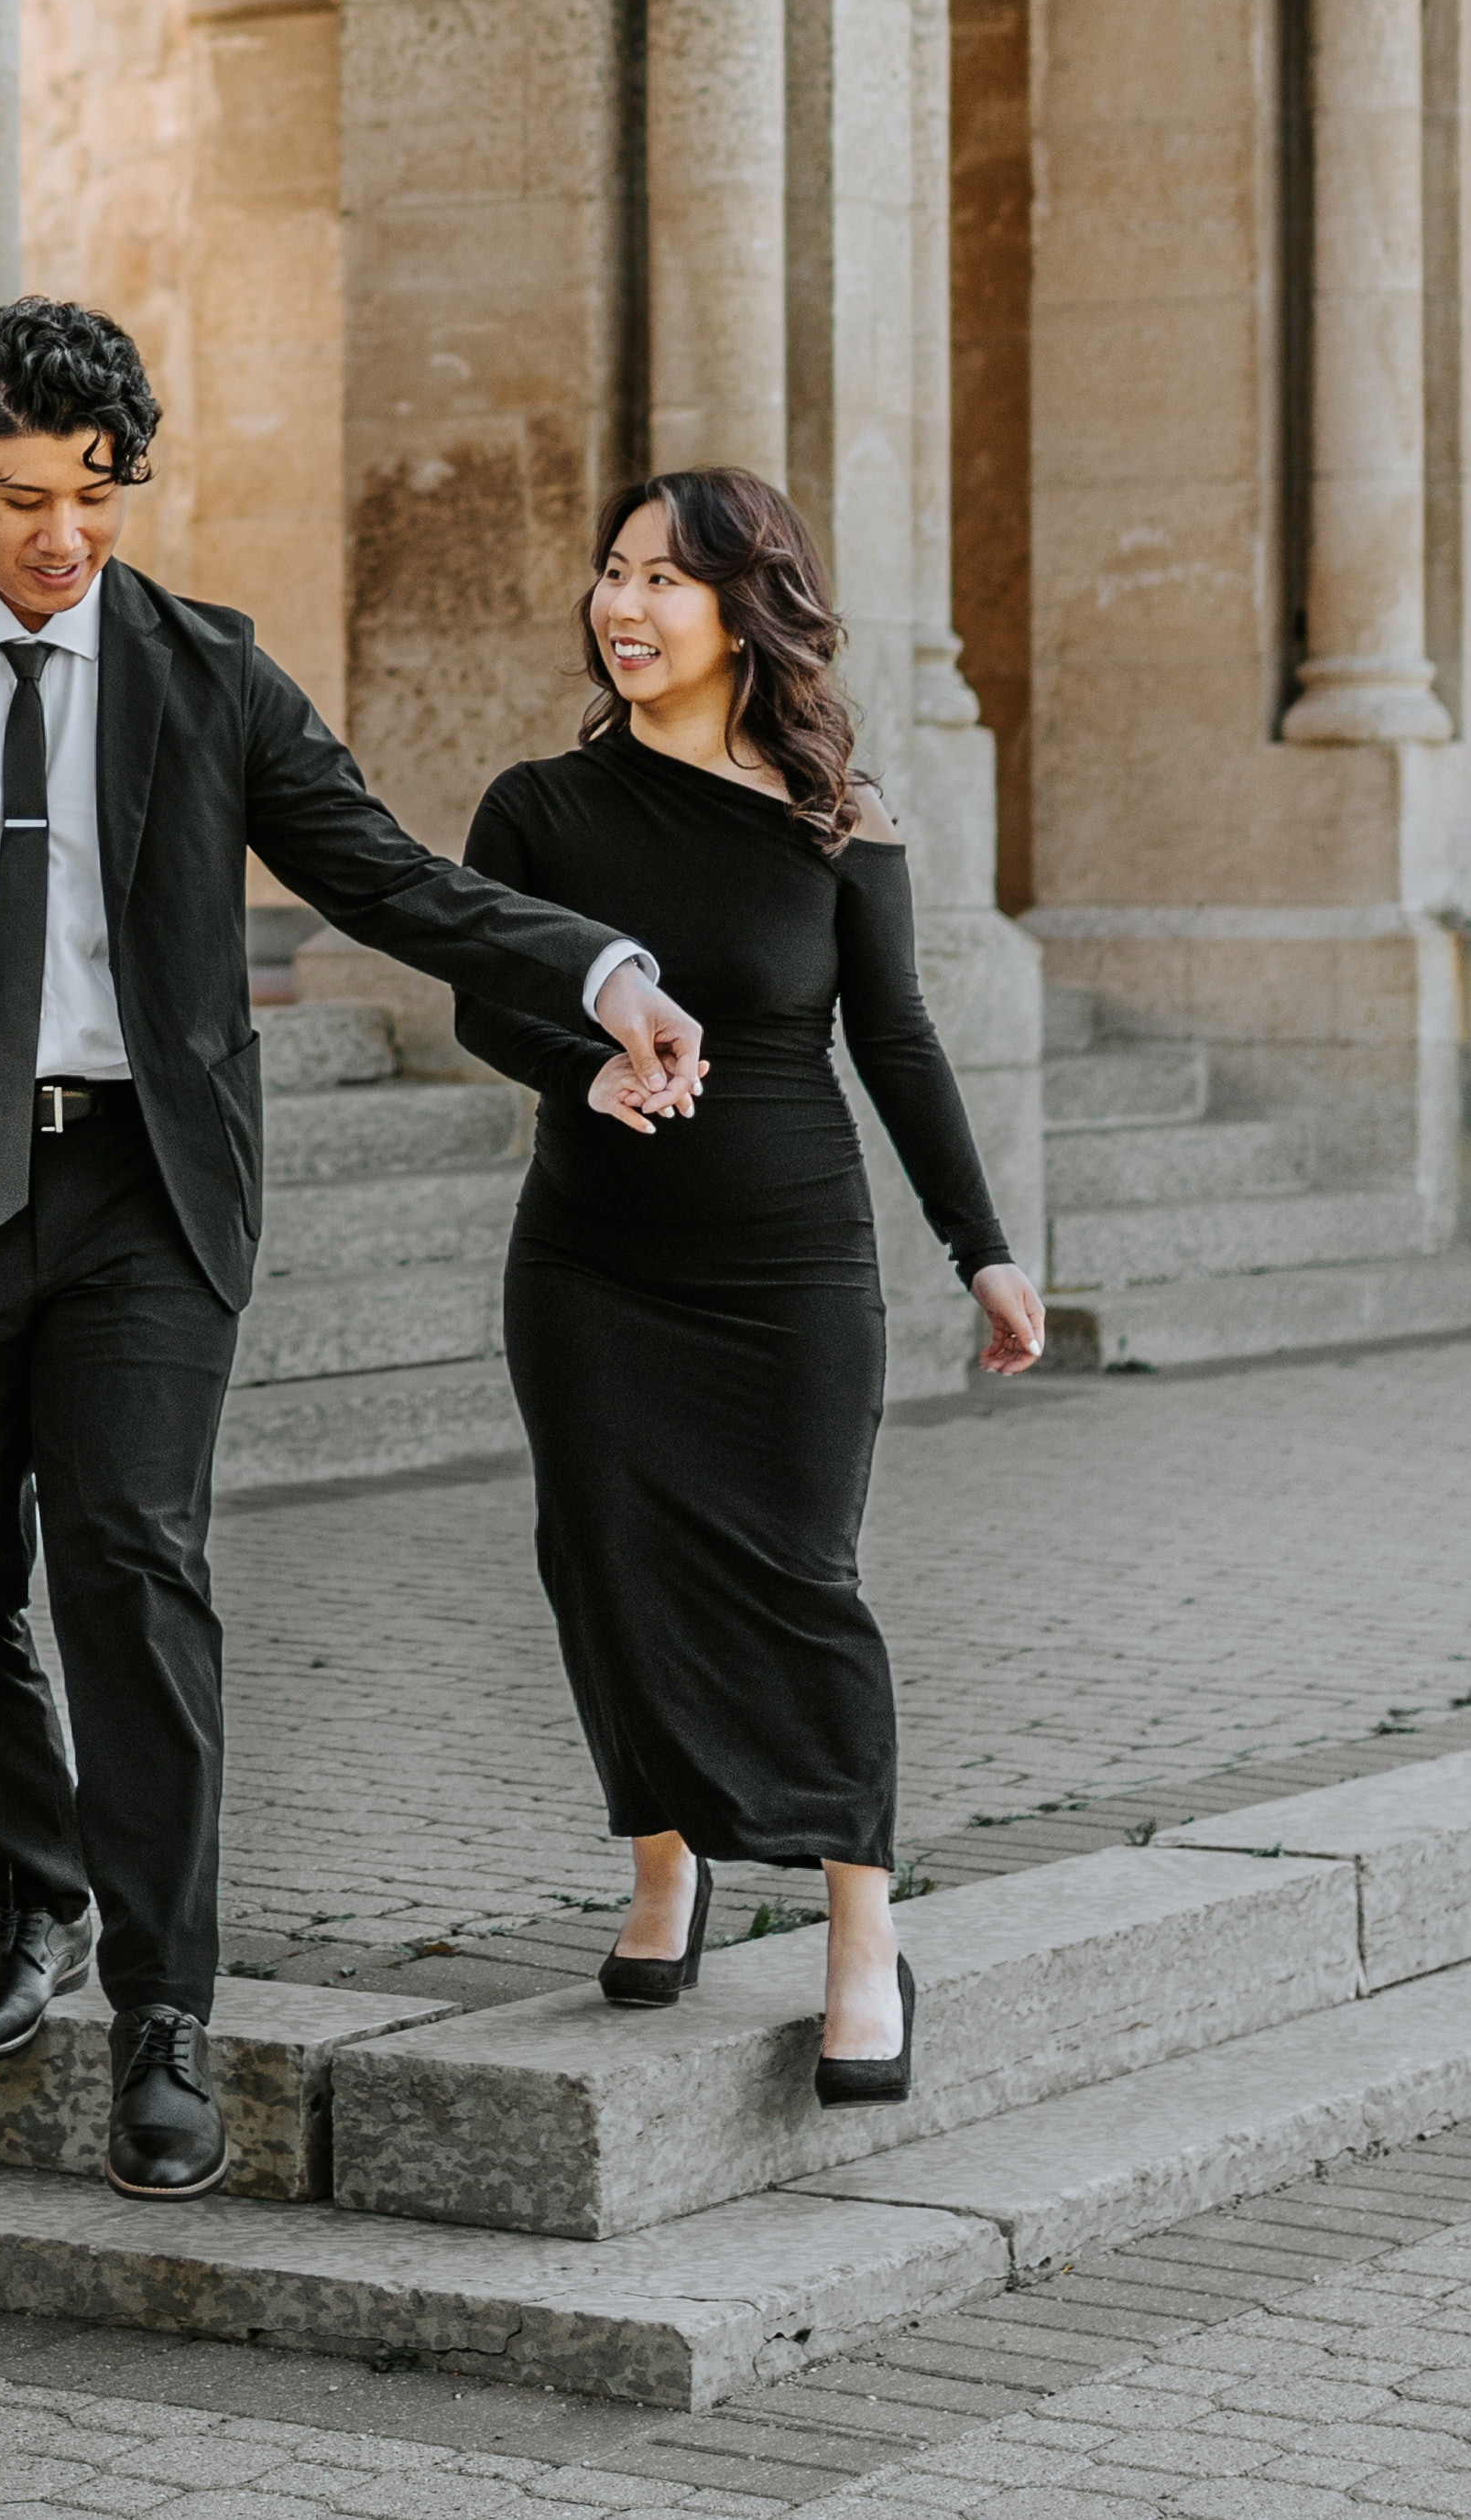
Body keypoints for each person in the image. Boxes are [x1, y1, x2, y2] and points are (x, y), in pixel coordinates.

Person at [0, 298, 709, 2202]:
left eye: (93, 498)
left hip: (141, 1199)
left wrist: (598, 973)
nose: (60, 539)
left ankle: (167, 2015)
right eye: (21, 498)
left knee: (129, 1562)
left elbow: (393, 877)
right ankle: (33, 1886)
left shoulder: (204, 677)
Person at [452, 468, 1047, 2104]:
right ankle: (666, 1861)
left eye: (663, 581)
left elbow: (900, 1042)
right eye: (611, 574)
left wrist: (979, 1246)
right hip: (590, 1264)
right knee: (608, 1565)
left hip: (791, 1265)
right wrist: (583, 1070)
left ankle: (862, 1932)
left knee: (800, 1581)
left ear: (743, 609)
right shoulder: (537, 810)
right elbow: (486, 1004)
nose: (623, 608)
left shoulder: (832, 817)